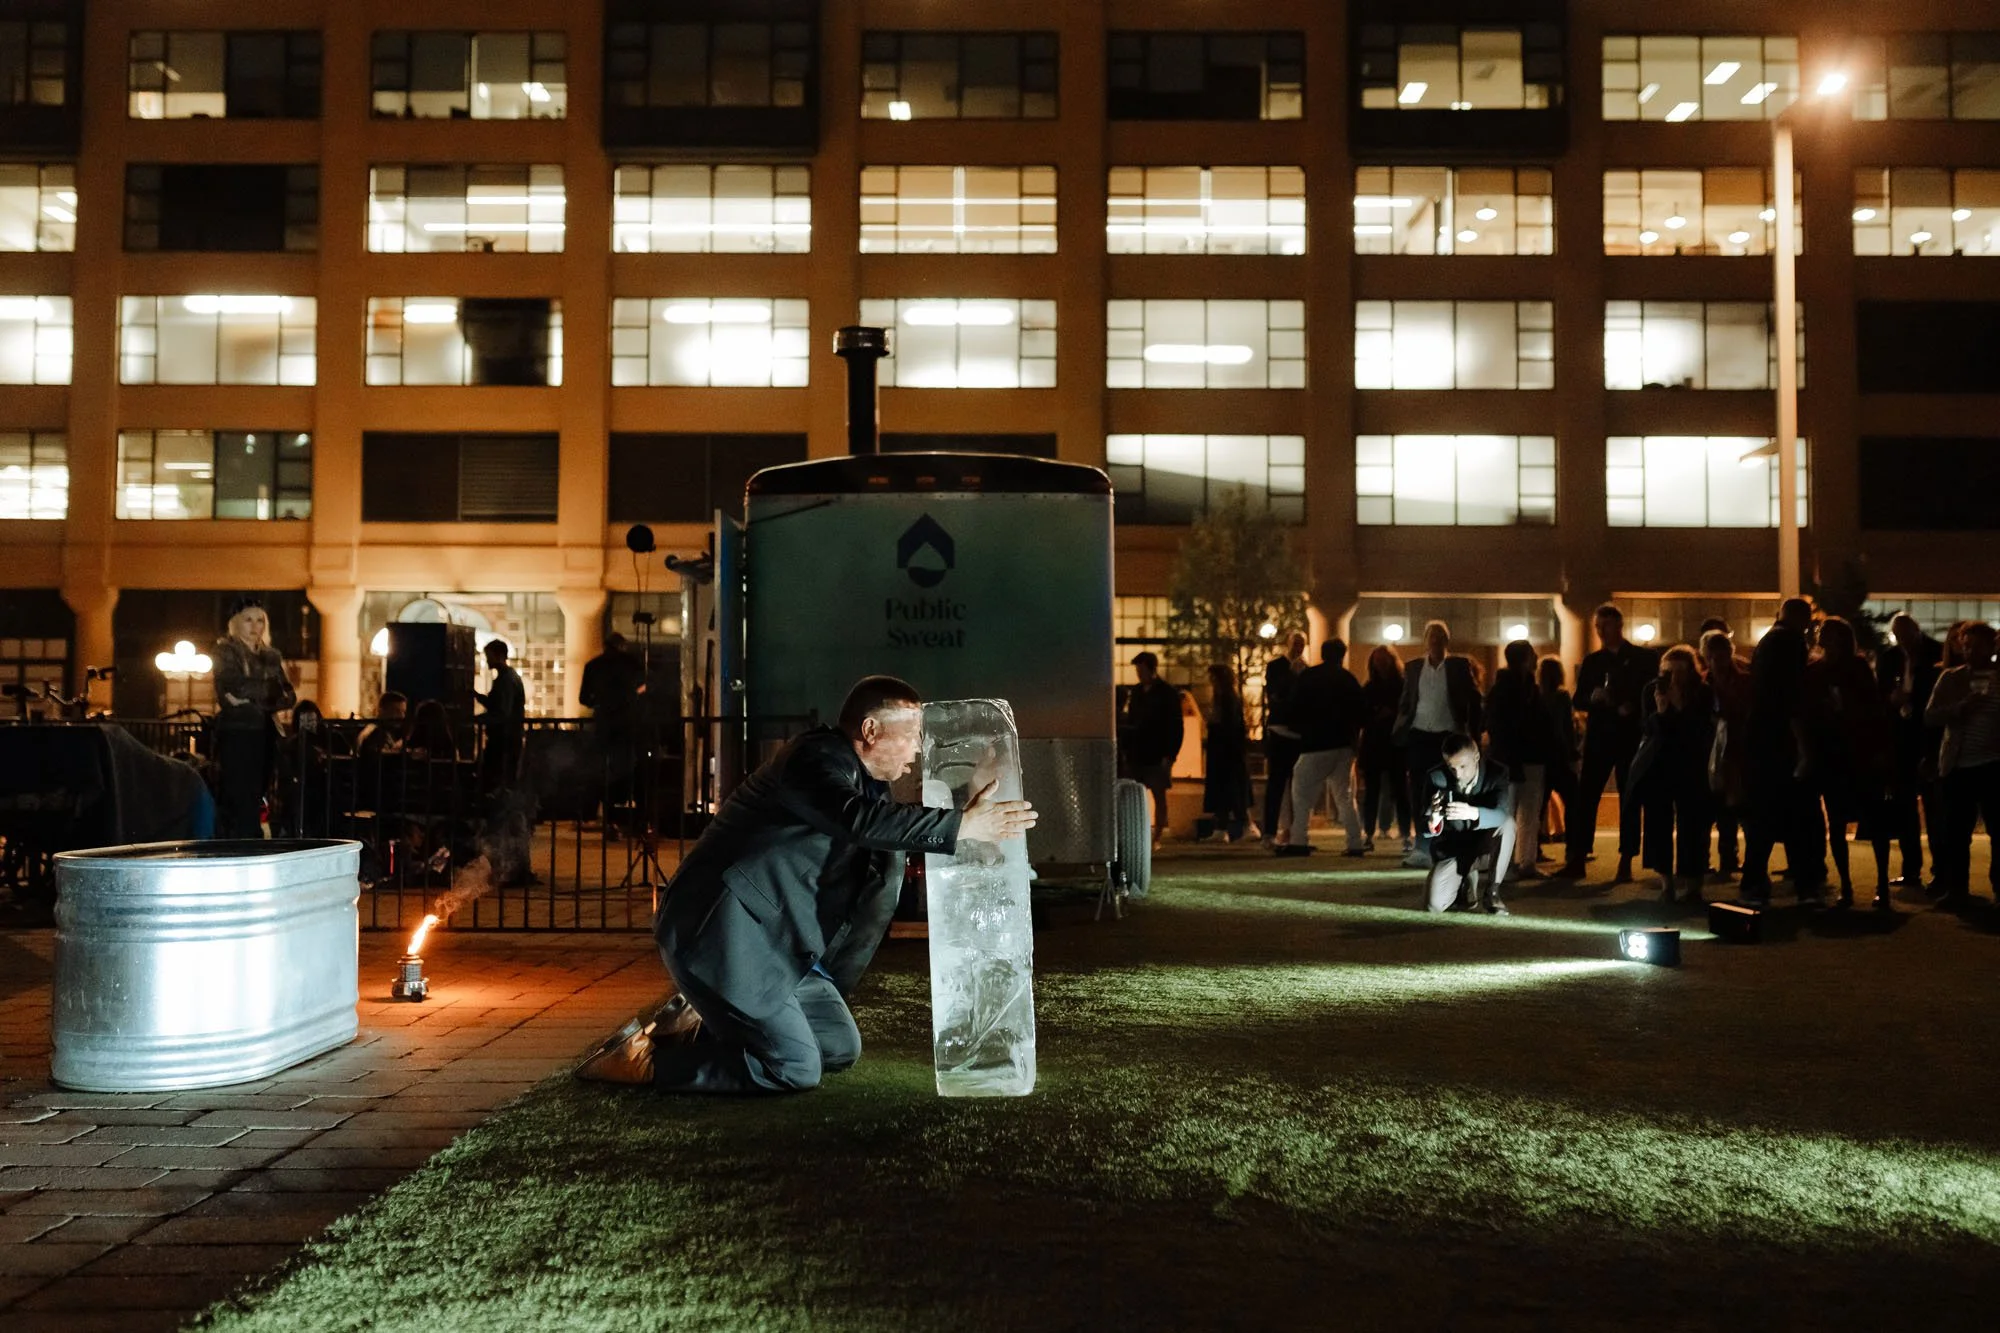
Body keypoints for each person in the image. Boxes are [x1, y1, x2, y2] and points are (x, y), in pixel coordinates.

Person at [575, 675, 1037, 1091]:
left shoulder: (868, 785)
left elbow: (882, 831)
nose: (918, 751)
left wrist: (959, 814)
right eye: (913, 737)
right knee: (795, 1068)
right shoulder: (812, 760)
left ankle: (695, 1023)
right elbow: (856, 820)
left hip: (778, 944)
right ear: (871, 730)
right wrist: (961, 826)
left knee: (838, 1049)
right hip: (721, 933)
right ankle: (642, 1062)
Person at [1559, 603, 1657, 884]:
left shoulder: (1642, 659)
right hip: (1600, 737)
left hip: (1630, 736)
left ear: (1619, 626)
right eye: (1598, 626)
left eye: (1605, 625)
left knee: (1629, 799)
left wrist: (1632, 707)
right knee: (1586, 797)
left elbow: (1651, 694)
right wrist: (1593, 698)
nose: (1600, 631)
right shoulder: (1593, 661)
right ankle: (1578, 856)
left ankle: (1626, 859)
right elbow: (1578, 699)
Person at [1740, 599, 1828, 906]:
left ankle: (1754, 883)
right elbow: (1790, 696)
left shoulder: (1768, 642)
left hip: (1760, 737)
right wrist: (1803, 744)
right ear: (1803, 620)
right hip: (1781, 739)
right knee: (1799, 816)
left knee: (1763, 816)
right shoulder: (1790, 642)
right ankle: (1806, 883)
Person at [1807, 617, 1895, 909]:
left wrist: (1880, 750)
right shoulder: (1816, 671)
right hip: (1833, 755)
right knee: (1836, 821)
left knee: (1875, 820)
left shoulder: (1856, 667)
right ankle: (1846, 885)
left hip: (1860, 753)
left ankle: (1882, 884)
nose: (1827, 641)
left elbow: (1875, 709)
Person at [1392, 621, 1483, 869]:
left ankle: (1445, 844)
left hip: (1447, 737)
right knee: (1419, 792)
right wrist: (1401, 727)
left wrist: (1472, 732)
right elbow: (1406, 701)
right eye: (1431, 637)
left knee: (1446, 792)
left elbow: (1474, 699)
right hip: (1419, 735)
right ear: (1425, 641)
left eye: (1440, 637)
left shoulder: (1458, 666)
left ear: (1446, 641)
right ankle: (1422, 847)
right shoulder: (1413, 667)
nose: (1435, 641)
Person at [1923, 621, 2000, 909]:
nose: (1970, 651)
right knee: (1956, 833)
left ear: (1991, 646)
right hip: (1960, 765)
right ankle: (1957, 890)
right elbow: (1930, 716)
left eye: (1977, 645)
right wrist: (1960, 708)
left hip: (1994, 765)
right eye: (1966, 646)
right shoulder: (1951, 679)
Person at [1632, 646, 1713, 904]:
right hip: (1660, 765)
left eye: (1680, 671)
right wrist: (1661, 709)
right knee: (1658, 823)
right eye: (1668, 671)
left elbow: (1700, 728)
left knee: (1694, 824)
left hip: (1692, 765)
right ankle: (1666, 882)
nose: (1673, 677)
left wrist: (1679, 704)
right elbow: (1647, 728)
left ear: (1691, 671)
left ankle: (1693, 884)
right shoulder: (1652, 690)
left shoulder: (1702, 692)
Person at [211, 598, 296, 839]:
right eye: (248, 619)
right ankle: (242, 839)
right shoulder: (225, 650)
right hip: (237, 730)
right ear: (236, 622)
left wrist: (254, 694)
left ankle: (248, 836)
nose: (255, 625)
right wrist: (268, 692)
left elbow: (289, 695)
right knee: (239, 791)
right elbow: (232, 687)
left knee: (260, 787)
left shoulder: (271, 655)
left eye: (260, 620)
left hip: (266, 730)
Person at [1281, 639, 1366, 857]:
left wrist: (1299, 730)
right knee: (1345, 795)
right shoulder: (1348, 679)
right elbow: (1361, 712)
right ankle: (1355, 842)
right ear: (1342, 655)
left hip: (1316, 743)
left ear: (1322, 653)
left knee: (1301, 792)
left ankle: (1299, 839)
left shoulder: (1310, 677)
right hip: (1343, 745)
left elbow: (1294, 707)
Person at [1420, 734, 1517, 915]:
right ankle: (1465, 882)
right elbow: (1424, 827)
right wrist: (1434, 820)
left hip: (1485, 848)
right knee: (1434, 905)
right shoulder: (1436, 777)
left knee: (1508, 824)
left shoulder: (1497, 773)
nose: (1458, 774)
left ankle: (1492, 892)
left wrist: (1473, 813)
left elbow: (1501, 815)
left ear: (1477, 756)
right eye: (1452, 767)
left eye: (1463, 766)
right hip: (1454, 850)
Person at [1483, 640, 1551, 882]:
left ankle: (1519, 862)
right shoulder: (1514, 689)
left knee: (1521, 813)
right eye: (1531, 655)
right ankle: (1517, 862)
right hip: (1515, 759)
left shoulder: (1515, 687)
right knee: (1519, 813)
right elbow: (1502, 726)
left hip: (1520, 758)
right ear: (1525, 659)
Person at [1886, 613, 1944, 888]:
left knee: (1934, 810)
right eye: (1899, 637)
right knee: (1905, 809)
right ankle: (1911, 870)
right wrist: (1892, 700)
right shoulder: (1890, 658)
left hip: (1928, 739)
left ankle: (1941, 870)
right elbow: (1880, 693)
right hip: (1902, 741)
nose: (1903, 642)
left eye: (1907, 636)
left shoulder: (1936, 653)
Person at [1701, 629, 1751, 879]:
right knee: (1712, 808)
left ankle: (1729, 859)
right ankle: (1709, 860)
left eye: (1722, 657)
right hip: (1710, 751)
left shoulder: (1741, 681)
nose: (1718, 662)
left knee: (1731, 809)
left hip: (1734, 750)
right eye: (1713, 657)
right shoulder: (1703, 684)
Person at [1119, 651, 1184, 841]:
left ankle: (1158, 835)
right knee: (1137, 794)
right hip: (1138, 751)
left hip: (1156, 751)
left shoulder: (1166, 693)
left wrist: (1170, 754)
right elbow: (1132, 720)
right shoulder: (1138, 692)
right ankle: (1143, 832)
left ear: (1151, 668)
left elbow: (1175, 726)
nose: (1139, 674)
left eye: (1141, 669)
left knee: (1158, 794)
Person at [1359, 646, 1411, 854]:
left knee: (1400, 792)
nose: (1381, 665)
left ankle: (1406, 834)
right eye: (1378, 661)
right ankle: (1369, 833)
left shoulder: (1400, 686)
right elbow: (1361, 715)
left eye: (1384, 660)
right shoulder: (1370, 687)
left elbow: (1407, 711)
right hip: (1376, 744)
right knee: (1373, 792)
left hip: (1394, 744)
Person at [1259, 633, 1307, 848]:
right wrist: (1293, 675)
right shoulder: (1277, 667)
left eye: (1301, 645)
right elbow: (1275, 695)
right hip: (1279, 731)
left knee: (1297, 786)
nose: (1298, 648)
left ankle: (1293, 831)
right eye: (1295, 644)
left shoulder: (1306, 669)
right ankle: (1269, 832)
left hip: (1297, 733)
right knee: (1276, 784)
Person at [1201, 664, 1252, 842]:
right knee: (1229, 792)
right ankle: (1222, 828)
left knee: (1229, 791)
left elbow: (1228, 727)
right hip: (1226, 752)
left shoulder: (1226, 700)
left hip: (1225, 753)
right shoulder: (1226, 698)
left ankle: (1243, 826)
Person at [1537, 656, 1577, 857]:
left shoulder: (1536, 695)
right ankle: (1574, 846)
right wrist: (1571, 751)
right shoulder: (1562, 696)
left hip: (1539, 755)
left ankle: (1533, 848)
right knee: (1572, 800)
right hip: (1559, 755)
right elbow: (1566, 727)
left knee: (1539, 805)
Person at [476, 638, 527, 794]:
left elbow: (502, 711)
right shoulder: (508, 678)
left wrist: (479, 719)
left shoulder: (506, 680)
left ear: (499, 656)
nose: (487, 660)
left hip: (504, 739)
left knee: (497, 778)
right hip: (508, 737)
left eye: (489, 656)